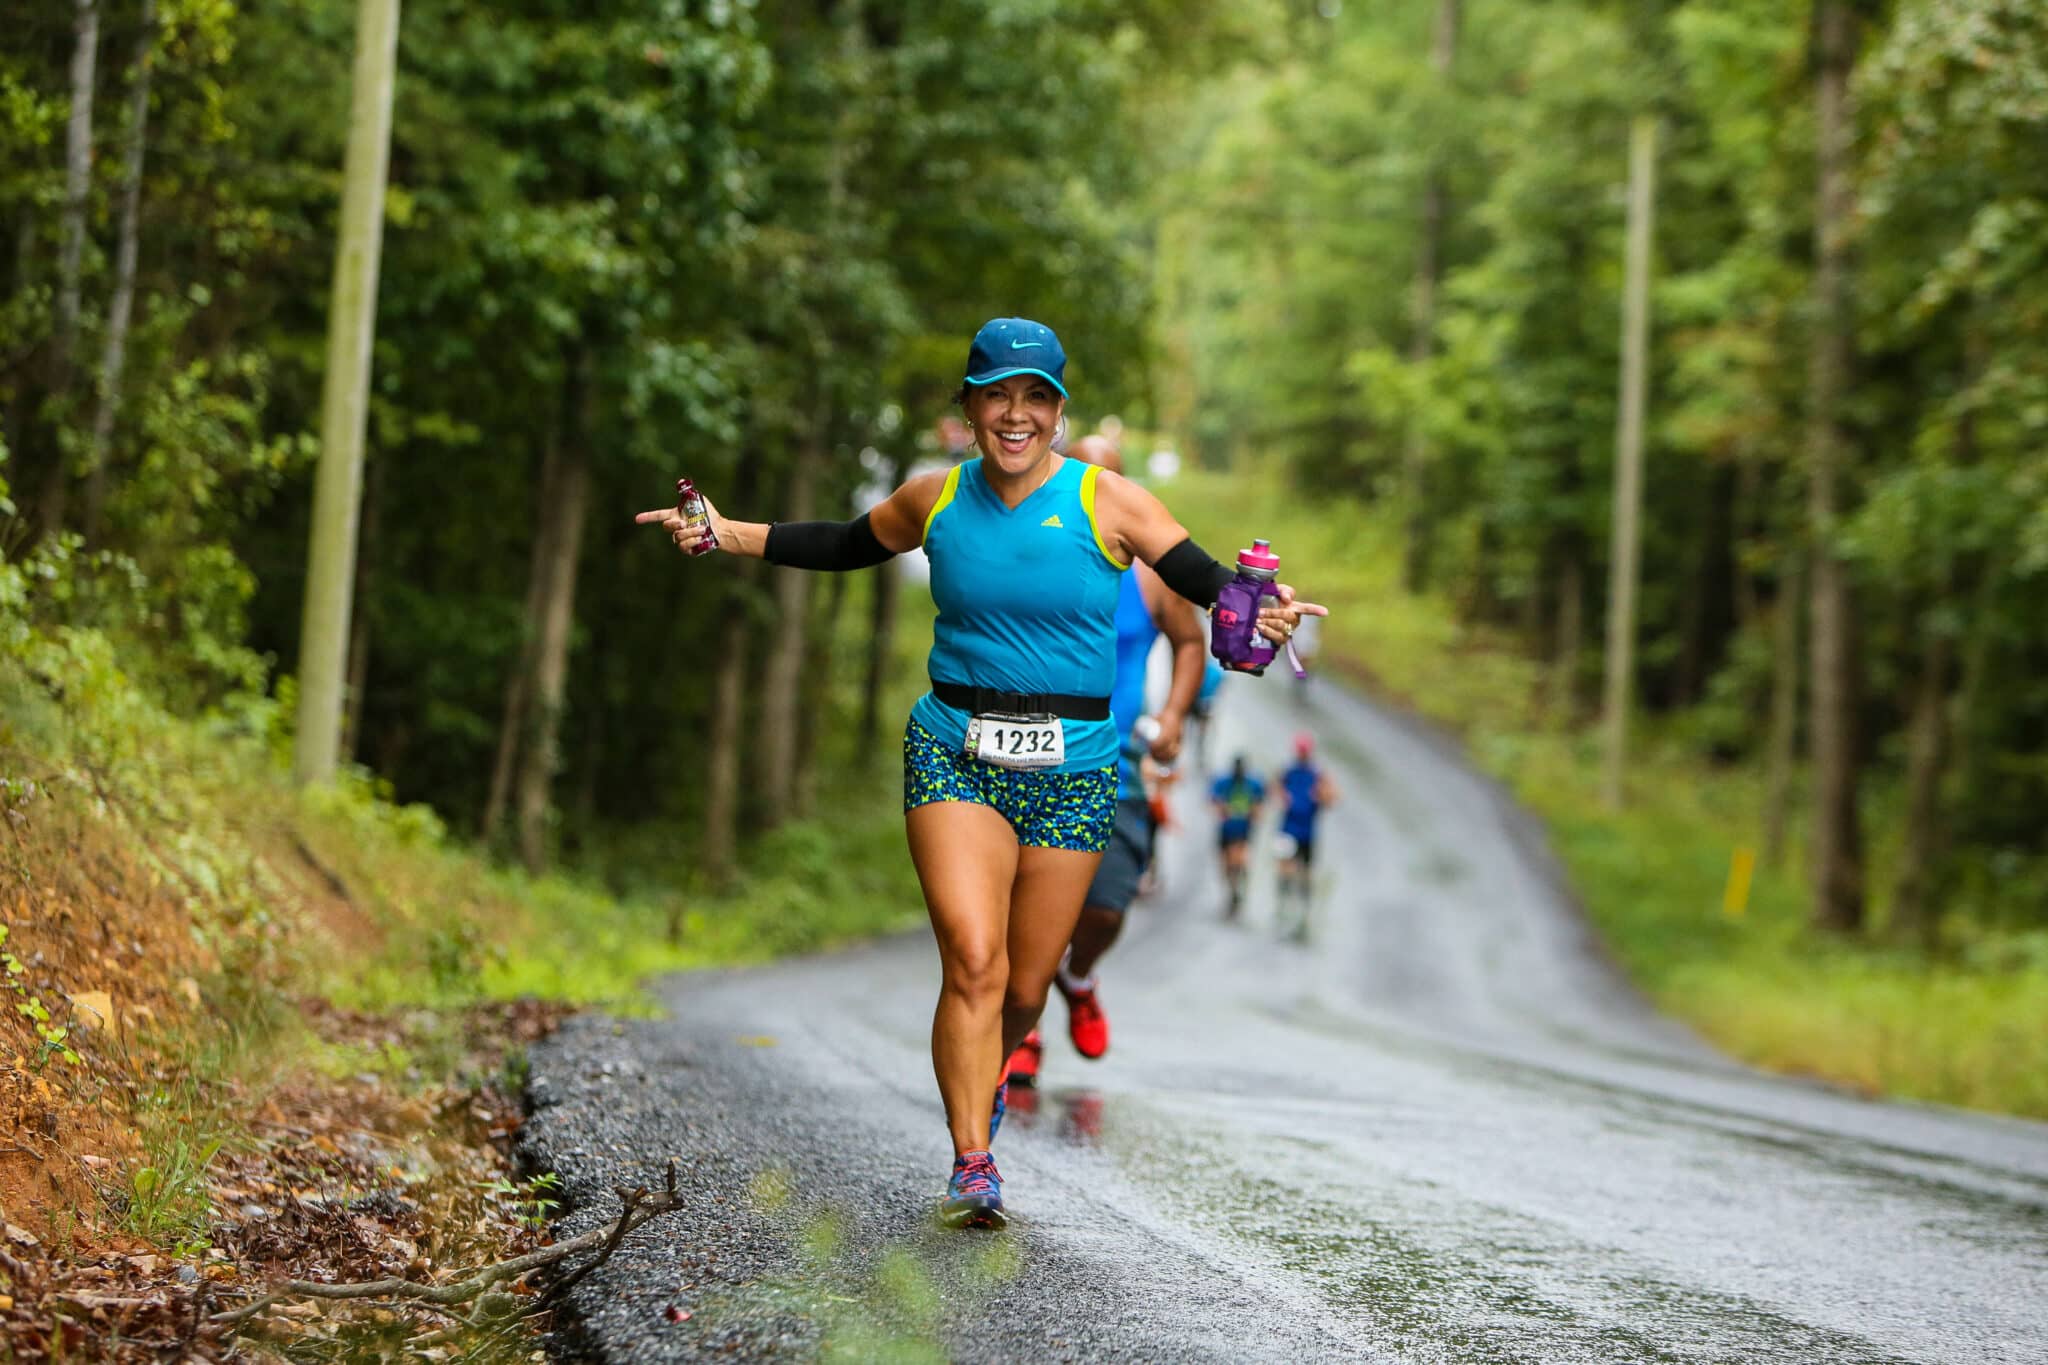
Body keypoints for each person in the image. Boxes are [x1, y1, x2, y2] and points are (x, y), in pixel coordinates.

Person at [637, 318, 1326, 1229]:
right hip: (954, 748)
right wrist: (727, 532)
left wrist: (1262, 612)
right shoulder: (935, 499)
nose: (1016, 413)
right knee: (973, 958)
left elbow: (1203, 578)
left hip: (1076, 766)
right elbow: (846, 542)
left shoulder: (1106, 501)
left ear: (1056, 410)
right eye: (996, 393)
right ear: (968, 407)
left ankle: (986, 1078)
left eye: (1035, 397)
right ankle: (972, 1159)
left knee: (1026, 988)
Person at [1004, 434, 1206, 1092]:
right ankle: (1024, 1026)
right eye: (1083, 473)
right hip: (1027, 741)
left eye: (1108, 476)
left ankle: (1079, 974)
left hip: (1114, 750)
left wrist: (1172, 717)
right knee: (1021, 891)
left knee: (1107, 904)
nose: (1094, 487)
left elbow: (1189, 642)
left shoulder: (1149, 572)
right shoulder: (1038, 547)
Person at [1275, 731, 1339, 941]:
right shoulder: (1288, 770)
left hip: (1307, 832)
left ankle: (1302, 913)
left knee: (1305, 873)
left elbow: (1332, 798)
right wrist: (1282, 797)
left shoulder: (1318, 773)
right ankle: (1283, 906)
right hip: (1287, 829)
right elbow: (1274, 789)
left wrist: (1321, 796)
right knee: (1285, 868)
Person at [1211, 755, 1266, 920]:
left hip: (1242, 831)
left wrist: (1254, 812)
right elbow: (1213, 799)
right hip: (1227, 830)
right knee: (1225, 864)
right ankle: (1232, 889)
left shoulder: (1253, 784)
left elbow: (1260, 803)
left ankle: (1238, 887)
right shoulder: (1223, 782)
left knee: (1238, 860)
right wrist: (1222, 808)